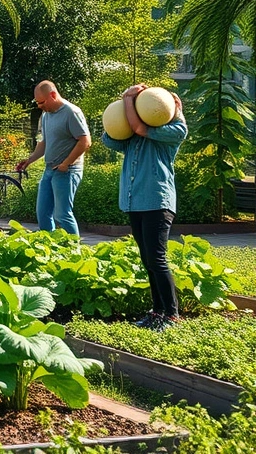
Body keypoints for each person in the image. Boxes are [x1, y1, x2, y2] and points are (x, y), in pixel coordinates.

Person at [101, 84, 188, 331]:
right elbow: (108, 138)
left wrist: (128, 98)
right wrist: (122, 108)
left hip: (157, 202)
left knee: (157, 259)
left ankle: (171, 315)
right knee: (147, 260)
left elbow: (141, 127)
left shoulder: (173, 131)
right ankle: (157, 311)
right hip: (134, 202)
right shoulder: (133, 139)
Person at [16, 81, 91, 236]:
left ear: (53, 95)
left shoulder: (72, 112)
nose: (39, 106)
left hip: (67, 170)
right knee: (42, 213)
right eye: (37, 103)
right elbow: (44, 142)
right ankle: (49, 251)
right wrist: (29, 160)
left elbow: (85, 141)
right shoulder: (46, 115)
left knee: (62, 215)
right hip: (49, 169)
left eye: (42, 102)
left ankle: (74, 251)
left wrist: (66, 164)